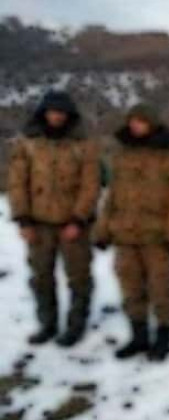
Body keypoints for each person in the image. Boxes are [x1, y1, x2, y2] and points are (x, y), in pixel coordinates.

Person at [94, 104, 169, 361]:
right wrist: (102, 230)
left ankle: (163, 337)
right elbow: (112, 197)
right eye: (132, 121)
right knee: (130, 289)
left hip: (157, 236)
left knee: (161, 288)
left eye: (141, 121)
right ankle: (139, 337)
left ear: (152, 123)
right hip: (125, 235)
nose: (135, 125)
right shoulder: (122, 155)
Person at [8, 91, 100, 347]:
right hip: (39, 223)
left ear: (69, 115)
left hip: (73, 224)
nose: (56, 116)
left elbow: (90, 185)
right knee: (41, 278)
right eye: (52, 111)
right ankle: (47, 324)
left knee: (79, 277)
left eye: (61, 112)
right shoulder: (29, 144)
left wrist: (78, 219)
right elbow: (17, 182)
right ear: (44, 113)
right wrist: (23, 219)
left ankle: (76, 325)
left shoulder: (83, 145)